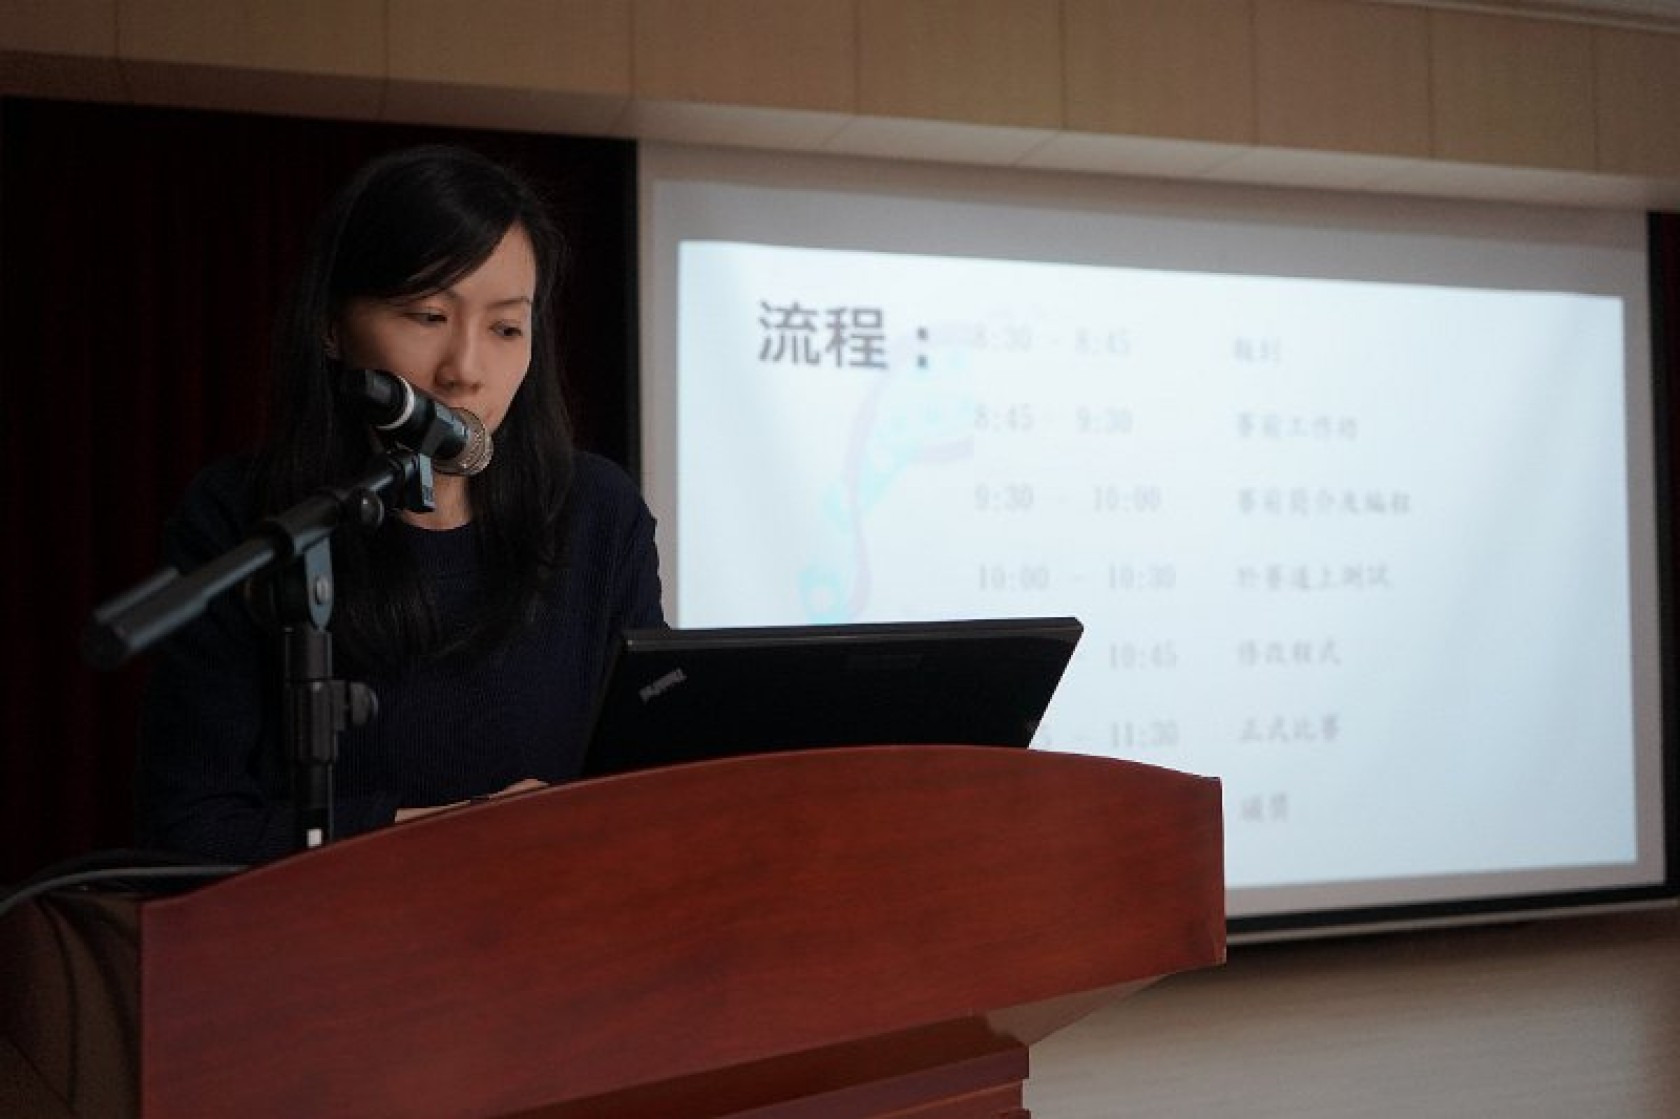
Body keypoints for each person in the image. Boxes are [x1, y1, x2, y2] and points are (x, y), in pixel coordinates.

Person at [136, 144, 664, 864]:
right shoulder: (244, 515)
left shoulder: (596, 511)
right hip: (326, 931)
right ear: (332, 326)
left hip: (558, 923)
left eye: (506, 328)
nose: (465, 371)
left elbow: (653, 779)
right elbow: (189, 828)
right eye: (427, 315)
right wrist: (458, 836)